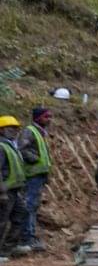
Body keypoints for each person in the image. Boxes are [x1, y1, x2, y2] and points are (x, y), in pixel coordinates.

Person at [18, 107, 53, 251]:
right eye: (46, 117)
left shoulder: (40, 132)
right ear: (38, 118)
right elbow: (21, 149)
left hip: (38, 175)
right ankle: (27, 238)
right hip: (31, 175)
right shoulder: (30, 131)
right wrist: (35, 159)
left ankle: (30, 236)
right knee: (29, 205)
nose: (49, 119)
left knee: (33, 206)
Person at [1, 116, 32, 257]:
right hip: (5, 191)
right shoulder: (1, 147)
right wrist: (2, 193)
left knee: (21, 214)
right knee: (1, 221)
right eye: (11, 128)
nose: (14, 131)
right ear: (1, 130)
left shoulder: (10, 145)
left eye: (16, 128)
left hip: (14, 190)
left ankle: (8, 248)